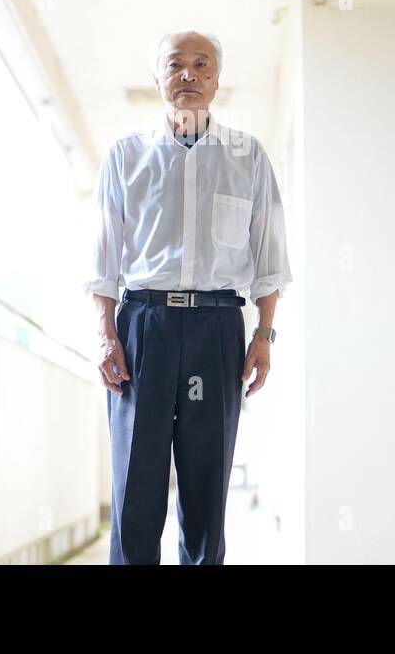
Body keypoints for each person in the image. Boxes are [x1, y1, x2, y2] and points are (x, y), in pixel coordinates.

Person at [83, 28, 292, 564]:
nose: (189, 75)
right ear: (159, 79)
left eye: (202, 65)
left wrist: (264, 335)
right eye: (176, 65)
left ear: (217, 81)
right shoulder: (126, 156)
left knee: (206, 486)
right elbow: (103, 264)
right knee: (137, 489)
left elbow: (269, 262)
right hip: (144, 329)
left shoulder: (248, 157)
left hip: (217, 330)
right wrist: (106, 337)